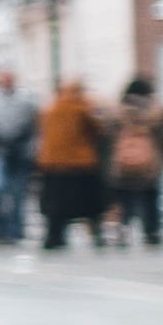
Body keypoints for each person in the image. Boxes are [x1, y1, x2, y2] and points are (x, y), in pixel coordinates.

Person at [39, 78, 111, 250]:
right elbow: (100, 129)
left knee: (56, 206)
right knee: (91, 204)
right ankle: (97, 235)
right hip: (81, 164)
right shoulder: (83, 108)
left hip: (53, 165)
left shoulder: (50, 110)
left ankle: (54, 237)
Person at [0, 68, 39, 247]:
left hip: (19, 154)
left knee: (17, 194)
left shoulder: (25, 100)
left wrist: (28, 149)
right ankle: (0, 228)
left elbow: (32, 127)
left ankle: (16, 230)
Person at [114, 77, 163, 250]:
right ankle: (151, 232)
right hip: (150, 164)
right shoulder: (156, 113)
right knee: (151, 199)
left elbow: (109, 138)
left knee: (126, 200)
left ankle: (123, 229)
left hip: (124, 164)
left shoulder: (119, 114)